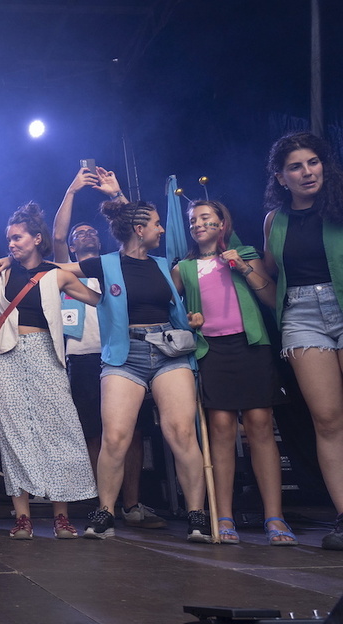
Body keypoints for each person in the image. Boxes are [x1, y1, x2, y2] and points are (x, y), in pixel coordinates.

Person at [60, 199, 213, 542]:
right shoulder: (104, 263)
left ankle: (197, 515)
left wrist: (190, 319)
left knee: (181, 433)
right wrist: (92, 299)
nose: (161, 228)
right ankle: (106, 512)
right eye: (156, 223)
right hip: (125, 354)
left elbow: (175, 306)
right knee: (115, 437)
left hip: (169, 350)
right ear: (139, 230)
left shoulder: (163, 264)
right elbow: (56, 269)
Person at [0, 202, 99, 539]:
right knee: (13, 436)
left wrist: (120, 279)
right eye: (9, 239)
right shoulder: (4, 273)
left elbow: (99, 300)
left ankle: (61, 516)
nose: (11, 243)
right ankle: (23, 517)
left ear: (36, 238)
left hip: (44, 354)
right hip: (7, 358)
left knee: (59, 431)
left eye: (17, 238)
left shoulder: (57, 274)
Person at [53, 166, 168, 530]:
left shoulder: (113, 265)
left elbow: (138, 230)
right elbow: (55, 239)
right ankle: (99, 504)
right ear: (72, 246)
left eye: (90, 230)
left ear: (101, 240)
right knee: (93, 432)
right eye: (78, 233)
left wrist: (116, 196)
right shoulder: (73, 270)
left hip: (126, 354)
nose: (85, 232)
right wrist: (71, 192)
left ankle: (131, 503)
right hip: (84, 358)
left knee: (131, 432)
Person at [172, 199, 293, 545]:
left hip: (251, 347)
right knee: (221, 429)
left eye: (205, 217)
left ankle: (275, 518)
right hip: (211, 351)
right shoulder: (184, 268)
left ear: (223, 223)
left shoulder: (246, 255)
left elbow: (272, 298)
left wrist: (242, 266)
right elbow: (169, 308)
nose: (197, 224)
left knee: (259, 425)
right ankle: (223, 516)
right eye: (192, 219)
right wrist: (187, 319)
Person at [262, 131, 343, 551]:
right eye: (296, 166)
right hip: (301, 315)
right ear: (281, 177)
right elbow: (272, 273)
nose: (307, 171)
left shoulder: (339, 206)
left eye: (313, 162)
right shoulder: (275, 221)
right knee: (327, 420)